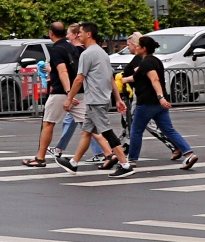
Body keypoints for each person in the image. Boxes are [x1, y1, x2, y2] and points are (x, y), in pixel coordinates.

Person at [58, 22, 130, 176]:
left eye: (81, 32)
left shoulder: (88, 53)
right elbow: (110, 77)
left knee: (107, 132)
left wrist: (69, 99)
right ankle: (73, 163)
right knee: (86, 132)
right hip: (99, 98)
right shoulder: (102, 53)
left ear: (88, 34)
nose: (78, 35)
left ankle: (125, 165)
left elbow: (79, 79)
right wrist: (117, 99)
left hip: (95, 99)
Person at [127, 34, 198, 169]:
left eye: (138, 46)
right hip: (158, 104)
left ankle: (131, 160)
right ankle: (188, 154)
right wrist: (122, 80)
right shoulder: (155, 61)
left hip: (147, 102)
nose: (136, 47)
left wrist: (161, 97)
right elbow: (137, 77)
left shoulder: (147, 62)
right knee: (168, 130)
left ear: (144, 48)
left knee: (136, 131)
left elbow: (154, 80)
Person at [24, 22, 78, 167]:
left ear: (51, 33)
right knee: (89, 125)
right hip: (78, 90)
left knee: (48, 123)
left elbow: (63, 71)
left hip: (61, 91)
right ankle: (109, 153)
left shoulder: (56, 49)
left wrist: (68, 93)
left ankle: (40, 158)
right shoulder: (71, 47)